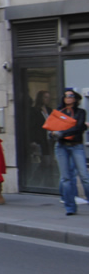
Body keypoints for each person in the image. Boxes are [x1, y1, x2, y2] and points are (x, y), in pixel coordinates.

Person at [48, 88, 88, 216]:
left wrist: (61, 133)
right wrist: (53, 134)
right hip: (61, 147)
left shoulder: (81, 112)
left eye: (71, 96)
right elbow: (51, 130)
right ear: (63, 98)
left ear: (75, 98)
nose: (69, 98)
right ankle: (70, 207)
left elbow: (78, 128)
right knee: (66, 178)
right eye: (66, 96)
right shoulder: (59, 112)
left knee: (84, 176)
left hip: (76, 146)